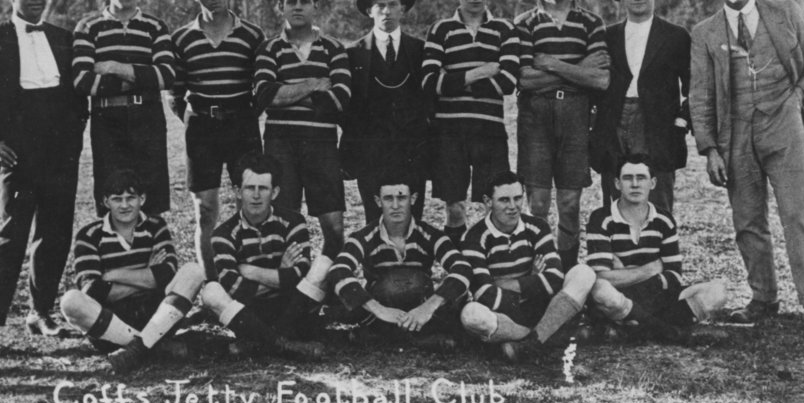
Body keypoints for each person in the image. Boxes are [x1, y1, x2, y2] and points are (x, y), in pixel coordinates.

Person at [690, 0, 804, 339]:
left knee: (797, 217)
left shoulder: (784, 12)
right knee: (747, 222)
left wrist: (800, 95)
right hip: (735, 135)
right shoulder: (704, 33)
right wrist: (710, 148)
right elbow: (699, 95)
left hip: (784, 128)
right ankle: (764, 298)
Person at [0, 0, 89, 354]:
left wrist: (71, 139)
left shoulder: (65, 39)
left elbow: (79, 95)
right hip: (15, 155)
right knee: (11, 235)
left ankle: (41, 311)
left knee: (55, 234)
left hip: (61, 154)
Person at [514, 0, 610, 269]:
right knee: (537, 205)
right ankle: (538, 275)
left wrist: (552, 64)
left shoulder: (591, 23)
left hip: (575, 117)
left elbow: (600, 81)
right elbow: (525, 79)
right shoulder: (524, 24)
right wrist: (577, 70)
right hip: (535, 117)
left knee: (569, 204)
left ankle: (567, 276)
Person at [60, 170, 204, 374]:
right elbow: (92, 290)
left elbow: (166, 275)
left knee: (193, 271)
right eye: (117, 199)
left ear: (142, 199)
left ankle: (138, 350)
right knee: (70, 301)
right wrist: (147, 274)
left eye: (131, 198)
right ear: (105, 201)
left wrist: (112, 275)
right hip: (112, 325)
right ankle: (153, 346)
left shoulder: (156, 226)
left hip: (156, 316)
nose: (125, 205)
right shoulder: (89, 235)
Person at [171, 0, 266, 269]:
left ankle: (245, 277)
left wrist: (247, 115)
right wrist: (194, 119)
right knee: (206, 209)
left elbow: (263, 85)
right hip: (201, 127)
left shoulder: (252, 34)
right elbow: (174, 94)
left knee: (249, 203)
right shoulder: (182, 38)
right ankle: (212, 285)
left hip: (242, 124)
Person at [420, 0, 519, 245]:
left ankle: (491, 265)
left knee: (495, 204)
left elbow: (509, 81)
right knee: (454, 206)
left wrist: (453, 80)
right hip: (449, 131)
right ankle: (458, 269)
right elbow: (429, 82)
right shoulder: (441, 30)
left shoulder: (505, 30)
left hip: (490, 130)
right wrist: (481, 71)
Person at [253, 0, 351, 257]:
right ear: (280, 7)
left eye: (304, 2)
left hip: (322, 145)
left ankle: (328, 288)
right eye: (291, 2)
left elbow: (339, 99)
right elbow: (265, 95)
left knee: (334, 230)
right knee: (283, 224)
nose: (298, 7)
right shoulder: (269, 49)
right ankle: (291, 288)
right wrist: (314, 85)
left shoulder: (334, 48)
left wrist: (287, 92)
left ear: (315, 7)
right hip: (279, 145)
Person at [201, 153, 331, 360]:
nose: (256, 195)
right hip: (250, 314)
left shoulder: (293, 221)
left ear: (275, 192)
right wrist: (281, 272)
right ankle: (284, 345)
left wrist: (252, 271)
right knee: (211, 290)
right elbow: (234, 288)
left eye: (263, 188)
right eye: (249, 188)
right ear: (237, 191)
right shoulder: (223, 235)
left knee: (324, 264)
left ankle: (259, 343)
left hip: (291, 307)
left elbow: (301, 273)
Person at [73, 0, 175, 215]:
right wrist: (140, 79)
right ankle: (116, 254)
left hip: (148, 119)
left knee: (150, 201)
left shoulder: (155, 27)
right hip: (107, 121)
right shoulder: (89, 27)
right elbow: (82, 81)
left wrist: (112, 68)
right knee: (113, 198)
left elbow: (165, 76)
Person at [585, 155, 726, 341]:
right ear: (618, 184)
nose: (635, 184)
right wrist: (651, 269)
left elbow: (674, 276)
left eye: (641, 178)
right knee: (600, 289)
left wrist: (626, 274)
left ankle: (633, 328)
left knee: (717, 292)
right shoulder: (601, 219)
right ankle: (668, 332)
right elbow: (602, 277)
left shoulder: (664, 220)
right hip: (621, 297)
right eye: (628, 178)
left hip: (656, 298)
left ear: (652, 183)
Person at [459, 171, 596, 362]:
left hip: (541, 307)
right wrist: (533, 280)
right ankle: (548, 336)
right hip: (507, 315)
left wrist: (505, 283)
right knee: (471, 314)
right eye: (504, 200)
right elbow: (483, 293)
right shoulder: (474, 237)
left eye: (517, 198)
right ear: (488, 201)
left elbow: (555, 276)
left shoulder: (537, 227)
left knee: (584, 273)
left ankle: (530, 344)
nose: (513, 207)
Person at [590, 0, 690, 213]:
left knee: (658, 204)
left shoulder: (676, 37)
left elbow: (695, 88)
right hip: (614, 125)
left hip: (658, 128)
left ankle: (660, 252)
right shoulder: (606, 36)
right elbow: (594, 82)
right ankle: (619, 253)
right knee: (615, 203)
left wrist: (680, 123)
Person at [328, 176, 471, 342]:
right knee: (348, 302)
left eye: (402, 198)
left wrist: (428, 307)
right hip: (382, 307)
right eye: (388, 198)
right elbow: (338, 269)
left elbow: (463, 267)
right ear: (378, 201)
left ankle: (390, 334)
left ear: (413, 199)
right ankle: (412, 335)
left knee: (457, 300)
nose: (395, 206)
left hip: (420, 304)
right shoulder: (364, 237)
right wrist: (379, 310)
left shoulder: (430, 235)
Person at [341, 0, 432, 223]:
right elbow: (346, 108)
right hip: (371, 154)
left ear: (402, 9)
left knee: (413, 220)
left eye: (392, 4)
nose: (387, 11)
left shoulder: (420, 51)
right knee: (374, 221)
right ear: (370, 10)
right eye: (380, 5)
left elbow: (430, 102)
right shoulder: (353, 54)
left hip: (411, 152)